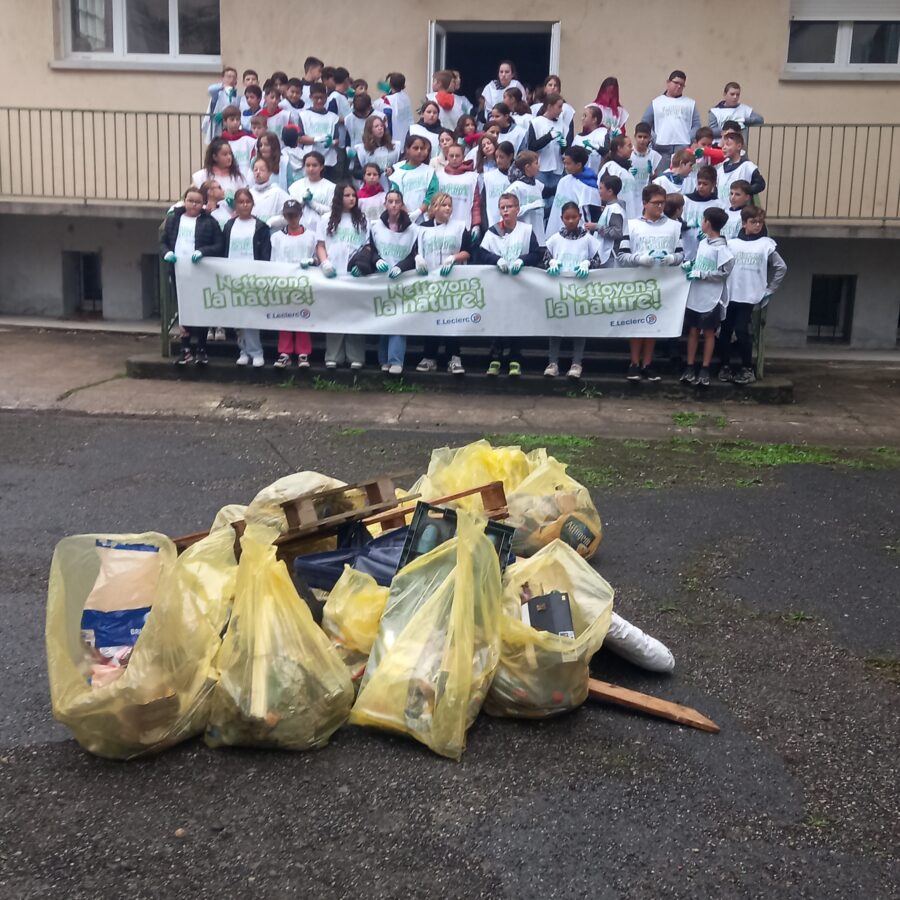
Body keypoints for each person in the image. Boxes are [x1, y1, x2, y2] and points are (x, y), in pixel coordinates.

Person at [616, 183, 684, 381]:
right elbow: (622, 255)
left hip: (663, 283)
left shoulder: (674, 226)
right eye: (656, 203)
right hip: (639, 281)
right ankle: (634, 363)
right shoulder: (632, 225)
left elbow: (681, 254)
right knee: (637, 324)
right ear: (644, 203)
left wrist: (672, 259)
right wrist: (638, 258)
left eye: (662, 203)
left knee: (653, 324)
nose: (660, 207)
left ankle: (648, 363)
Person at [477, 192, 543, 377]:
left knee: (516, 321)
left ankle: (515, 358)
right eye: (502, 207)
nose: (505, 211)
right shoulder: (492, 232)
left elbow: (537, 254)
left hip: (519, 286)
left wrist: (522, 260)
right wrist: (496, 259)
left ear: (517, 209)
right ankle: (495, 358)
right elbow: (481, 254)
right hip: (497, 286)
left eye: (509, 207)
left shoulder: (526, 230)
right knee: (497, 321)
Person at [720, 206, 786, 384]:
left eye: (760, 222)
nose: (757, 225)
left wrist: (770, 290)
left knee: (742, 331)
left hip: (750, 295)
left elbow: (781, 267)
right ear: (743, 223)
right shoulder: (731, 243)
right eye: (753, 222)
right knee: (725, 331)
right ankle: (724, 367)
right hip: (730, 293)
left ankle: (747, 368)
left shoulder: (766, 244)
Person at [356, 189, 420, 374]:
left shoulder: (413, 229)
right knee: (384, 320)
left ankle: (396, 360)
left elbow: (414, 253)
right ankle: (383, 359)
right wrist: (377, 260)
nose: (393, 205)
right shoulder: (375, 226)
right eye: (390, 201)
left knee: (399, 321)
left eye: (397, 202)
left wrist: (402, 266)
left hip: (402, 280)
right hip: (381, 279)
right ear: (385, 204)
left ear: (402, 204)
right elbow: (370, 249)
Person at [160, 186, 225, 365]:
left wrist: (203, 252)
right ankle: (185, 348)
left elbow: (219, 245)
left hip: (200, 273)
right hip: (179, 273)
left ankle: (201, 349)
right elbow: (164, 241)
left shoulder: (209, 222)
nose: (193, 205)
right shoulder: (174, 220)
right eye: (190, 200)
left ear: (203, 203)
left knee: (200, 310)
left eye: (198, 202)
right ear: (184, 200)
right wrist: (166, 253)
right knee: (184, 311)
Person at [414, 192, 474, 375]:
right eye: (444, 205)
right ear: (434, 208)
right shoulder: (422, 228)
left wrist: (454, 258)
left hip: (452, 280)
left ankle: (454, 357)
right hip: (430, 280)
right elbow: (416, 251)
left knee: (451, 318)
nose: (448, 208)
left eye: (450, 205)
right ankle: (429, 356)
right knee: (431, 317)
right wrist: (418, 258)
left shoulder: (459, 227)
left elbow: (468, 251)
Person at [542, 201, 602, 379]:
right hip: (558, 289)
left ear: (580, 217)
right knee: (556, 325)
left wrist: (587, 263)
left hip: (580, 289)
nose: (570, 221)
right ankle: (553, 362)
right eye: (567, 218)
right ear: (561, 219)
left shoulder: (588, 239)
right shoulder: (554, 239)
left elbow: (597, 260)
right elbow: (545, 260)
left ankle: (577, 362)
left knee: (578, 326)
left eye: (574, 217)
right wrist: (551, 263)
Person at [317, 183, 371, 369]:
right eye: (347, 195)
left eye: (353, 195)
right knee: (335, 314)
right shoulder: (326, 219)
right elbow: (321, 245)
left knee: (355, 314)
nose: (351, 198)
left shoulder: (362, 219)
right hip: (334, 273)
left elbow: (367, 246)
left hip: (354, 274)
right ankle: (334, 355)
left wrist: (361, 266)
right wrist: (325, 263)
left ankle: (356, 355)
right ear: (339, 197)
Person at [680, 206, 734, 387]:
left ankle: (705, 367)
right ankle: (689, 366)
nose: (701, 223)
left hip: (711, 296)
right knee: (693, 331)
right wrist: (691, 265)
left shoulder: (722, 248)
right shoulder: (703, 243)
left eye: (703, 220)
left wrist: (703, 274)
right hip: (696, 294)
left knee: (708, 332)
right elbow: (700, 260)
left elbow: (725, 272)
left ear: (708, 223)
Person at [222, 188, 271, 368]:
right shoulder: (229, 225)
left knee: (251, 316)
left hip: (252, 276)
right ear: (235, 204)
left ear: (252, 204)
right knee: (238, 317)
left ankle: (256, 351)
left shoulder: (260, 227)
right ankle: (243, 350)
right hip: (233, 276)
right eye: (241, 202)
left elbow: (265, 254)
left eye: (247, 202)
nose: (244, 205)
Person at [272, 199, 319, 369]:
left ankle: (303, 351)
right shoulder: (276, 237)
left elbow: (318, 257)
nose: (292, 219)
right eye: (288, 215)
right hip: (284, 282)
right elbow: (273, 260)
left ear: (300, 215)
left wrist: (312, 261)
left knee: (303, 315)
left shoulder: (311, 236)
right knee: (284, 316)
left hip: (305, 282)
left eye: (295, 215)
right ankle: (284, 351)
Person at [640, 70, 700, 166]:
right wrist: (654, 138)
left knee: (681, 177)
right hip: (661, 147)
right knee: (661, 178)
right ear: (668, 82)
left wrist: (690, 138)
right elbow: (645, 124)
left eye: (682, 84)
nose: (679, 86)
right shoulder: (656, 102)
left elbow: (696, 124)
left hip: (683, 147)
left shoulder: (690, 103)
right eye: (676, 83)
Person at [527, 93, 571, 209]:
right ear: (550, 106)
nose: (561, 111)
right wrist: (548, 137)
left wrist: (563, 146)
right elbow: (531, 146)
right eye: (559, 107)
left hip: (557, 169)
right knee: (541, 202)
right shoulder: (536, 122)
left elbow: (563, 150)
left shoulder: (561, 124)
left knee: (554, 204)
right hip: (541, 169)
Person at [547, 145, 600, 235]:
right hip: (557, 233)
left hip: (578, 236)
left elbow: (592, 216)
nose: (565, 166)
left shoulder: (589, 187)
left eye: (568, 163)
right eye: (564, 163)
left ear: (578, 165)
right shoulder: (563, 180)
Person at [389, 134, 439, 223]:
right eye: (415, 148)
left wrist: (419, 211)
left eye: (422, 148)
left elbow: (432, 193)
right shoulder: (398, 172)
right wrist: (406, 212)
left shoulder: (429, 171)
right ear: (407, 150)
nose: (419, 151)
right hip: (403, 217)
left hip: (424, 218)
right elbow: (395, 194)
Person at [437, 143, 481, 239]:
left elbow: (476, 203)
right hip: (443, 226)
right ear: (447, 156)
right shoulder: (439, 176)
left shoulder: (472, 177)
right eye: (451, 156)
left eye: (457, 156)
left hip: (465, 226)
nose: (454, 158)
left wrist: (476, 225)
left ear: (463, 157)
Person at [682, 165, 725, 261]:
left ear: (714, 184)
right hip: (686, 252)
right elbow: (678, 223)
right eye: (699, 183)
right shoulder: (685, 201)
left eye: (705, 184)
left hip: (708, 257)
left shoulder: (719, 205)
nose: (701, 187)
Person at [585, 174, 627, 269]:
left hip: (610, 255)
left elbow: (617, 232)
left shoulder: (615, 209)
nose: (599, 191)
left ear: (610, 191)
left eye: (601, 188)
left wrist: (596, 227)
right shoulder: (610, 206)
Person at [297, 84, 339, 177]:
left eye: (322, 98)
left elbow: (337, 139)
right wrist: (316, 139)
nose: (319, 101)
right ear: (311, 97)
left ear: (326, 97)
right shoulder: (304, 115)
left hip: (329, 161)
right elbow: (300, 138)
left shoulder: (333, 117)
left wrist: (331, 142)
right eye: (316, 98)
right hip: (310, 160)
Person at [506, 149, 546, 244]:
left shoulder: (537, 185)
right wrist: (531, 206)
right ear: (527, 167)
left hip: (539, 237)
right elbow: (508, 212)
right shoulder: (515, 188)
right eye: (536, 163)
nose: (539, 166)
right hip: (522, 239)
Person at [288, 150, 337, 225]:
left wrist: (312, 203)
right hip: (299, 227)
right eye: (307, 165)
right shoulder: (295, 186)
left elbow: (332, 211)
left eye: (314, 165)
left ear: (321, 167)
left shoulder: (331, 187)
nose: (311, 169)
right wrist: (302, 201)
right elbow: (291, 209)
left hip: (322, 226)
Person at [352, 115, 400, 189]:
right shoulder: (362, 150)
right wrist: (372, 173)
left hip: (392, 186)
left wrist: (392, 169)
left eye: (382, 126)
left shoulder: (395, 146)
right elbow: (356, 172)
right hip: (371, 189)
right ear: (370, 130)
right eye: (376, 126)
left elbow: (401, 164)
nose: (380, 128)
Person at [598, 135, 640, 219]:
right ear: (619, 148)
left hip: (632, 220)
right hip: (618, 220)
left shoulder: (627, 170)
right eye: (629, 146)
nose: (632, 149)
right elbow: (604, 193)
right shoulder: (610, 167)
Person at [716, 131, 765, 202]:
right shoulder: (720, 168)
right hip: (722, 211)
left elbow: (760, 184)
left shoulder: (747, 166)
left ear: (738, 146)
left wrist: (745, 191)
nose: (724, 148)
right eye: (723, 145)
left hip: (740, 211)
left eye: (728, 144)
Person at [483, 140, 515, 230]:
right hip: (492, 224)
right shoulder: (488, 178)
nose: (498, 160)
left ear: (510, 156)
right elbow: (483, 203)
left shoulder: (518, 178)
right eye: (496, 157)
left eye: (501, 157)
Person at [248, 157, 290, 223]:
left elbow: (290, 212)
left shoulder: (277, 192)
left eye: (262, 170)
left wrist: (274, 221)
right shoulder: (249, 193)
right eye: (255, 170)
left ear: (269, 172)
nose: (258, 172)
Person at [203, 66, 238, 142]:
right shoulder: (218, 92)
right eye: (228, 77)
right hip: (218, 124)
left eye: (234, 77)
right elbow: (210, 89)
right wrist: (223, 86)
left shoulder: (237, 94)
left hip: (231, 125)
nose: (231, 79)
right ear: (223, 78)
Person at [220, 106, 256, 180]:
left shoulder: (249, 140)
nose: (236, 122)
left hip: (246, 179)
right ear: (225, 121)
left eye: (238, 119)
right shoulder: (220, 142)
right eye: (232, 120)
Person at [381, 72, 413, 148]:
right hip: (406, 131)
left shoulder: (389, 99)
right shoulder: (406, 97)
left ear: (390, 85)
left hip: (393, 133)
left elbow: (386, 115)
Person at [630, 122, 662, 196]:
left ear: (650, 138)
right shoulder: (629, 153)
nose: (642, 140)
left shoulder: (654, 155)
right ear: (635, 136)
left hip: (647, 193)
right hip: (630, 191)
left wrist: (651, 173)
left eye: (645, 137)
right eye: (640, 136)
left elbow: (656, 177)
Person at [577, 105, 609, 173]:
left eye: (585, 116)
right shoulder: (578, 136)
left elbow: (606, 152)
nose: (582, 118)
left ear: (594, 119)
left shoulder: (603, 134)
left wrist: (596, 147)